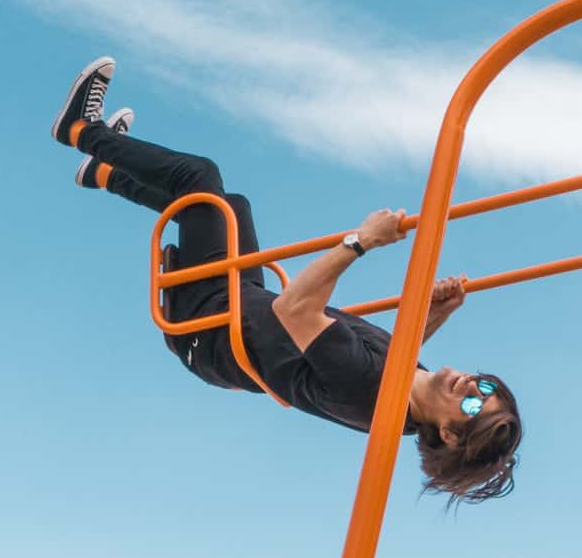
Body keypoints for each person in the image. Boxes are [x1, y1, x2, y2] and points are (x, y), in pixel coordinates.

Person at [52, 57, 522, 505]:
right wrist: (434, 312)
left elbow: (295, 310)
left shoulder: (369, 391)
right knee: (230, 207)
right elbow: (390, 346)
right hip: (239, 306)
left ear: (447, 433)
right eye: (484, 386)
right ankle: (107, 171)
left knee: (199, 178)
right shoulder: (405, 387)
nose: (470, 386)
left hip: (212, 324)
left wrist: (361, 241)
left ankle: (79, 130)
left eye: (472, 407)